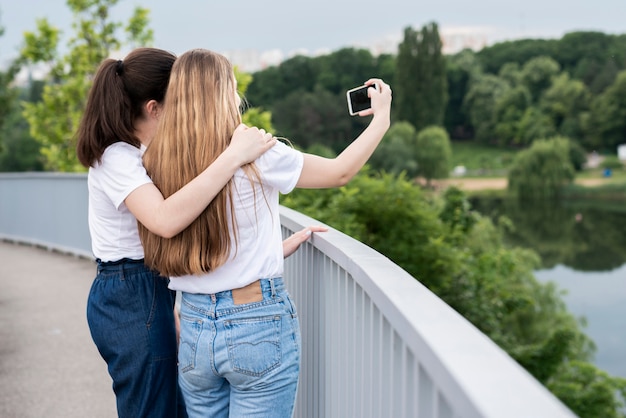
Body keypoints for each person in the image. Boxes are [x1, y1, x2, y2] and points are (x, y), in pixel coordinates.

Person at [138, 48, 392, 418]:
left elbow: (199, 229)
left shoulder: (157, 159)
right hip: (255, 321)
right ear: (225, 93)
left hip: (193, 329)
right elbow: (339, 172)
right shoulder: (254, 151)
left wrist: (272, 246)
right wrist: (380, 120)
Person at [75, 47, 278, 418]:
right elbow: (167, 220)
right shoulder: (119, 157)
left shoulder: (142, 155)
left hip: (144, 289)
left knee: (169, 407)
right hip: (130, 292)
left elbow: (190, 218)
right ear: (154, 108)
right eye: (180, 100)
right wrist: (232, 155)